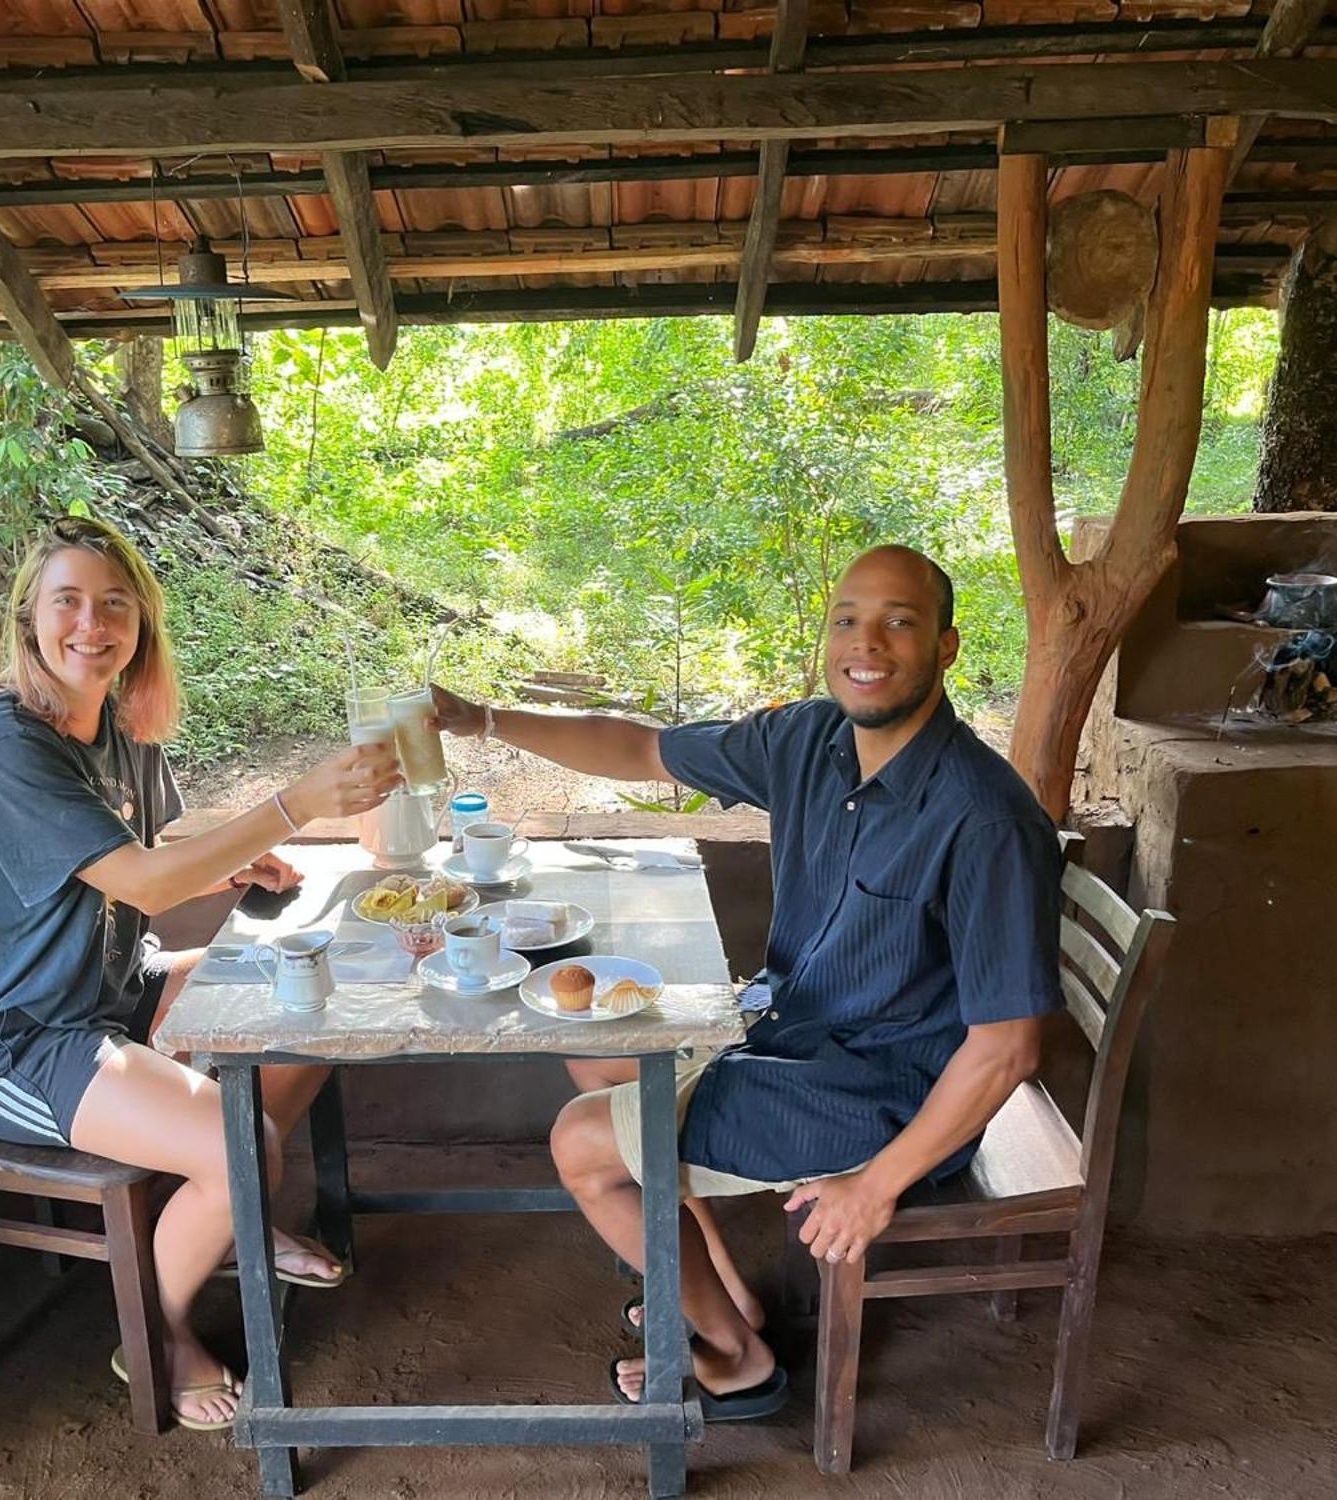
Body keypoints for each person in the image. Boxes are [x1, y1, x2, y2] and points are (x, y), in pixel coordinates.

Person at [430, 545, 1062, 1420]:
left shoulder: (984, 818)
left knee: (584, 1145)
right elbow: (640, 748)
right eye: (847, 619)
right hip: (788, 1029)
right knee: (601, 1056)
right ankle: (727, 1298)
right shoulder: (809, 741)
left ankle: (736, 1358)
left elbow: (1006, 1048)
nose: (865, 642)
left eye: (899, 621)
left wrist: (875, 1185)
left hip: (887, 1093)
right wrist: (482, 719)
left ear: (947, 648)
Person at [0, 516, 402, 1430]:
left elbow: (128, 859)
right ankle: (159, 1332)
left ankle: (229, 1216)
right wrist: (296, 805)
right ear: (29, 616)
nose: (90, 626)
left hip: (113, 988)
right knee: (240, 1144)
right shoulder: (0, 736)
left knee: (315, 1005)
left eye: (113, 605)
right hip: (14, 1039)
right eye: (67, 602)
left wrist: (226, 870)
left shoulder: (119, 719)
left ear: (141, 622)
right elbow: (138, 880)